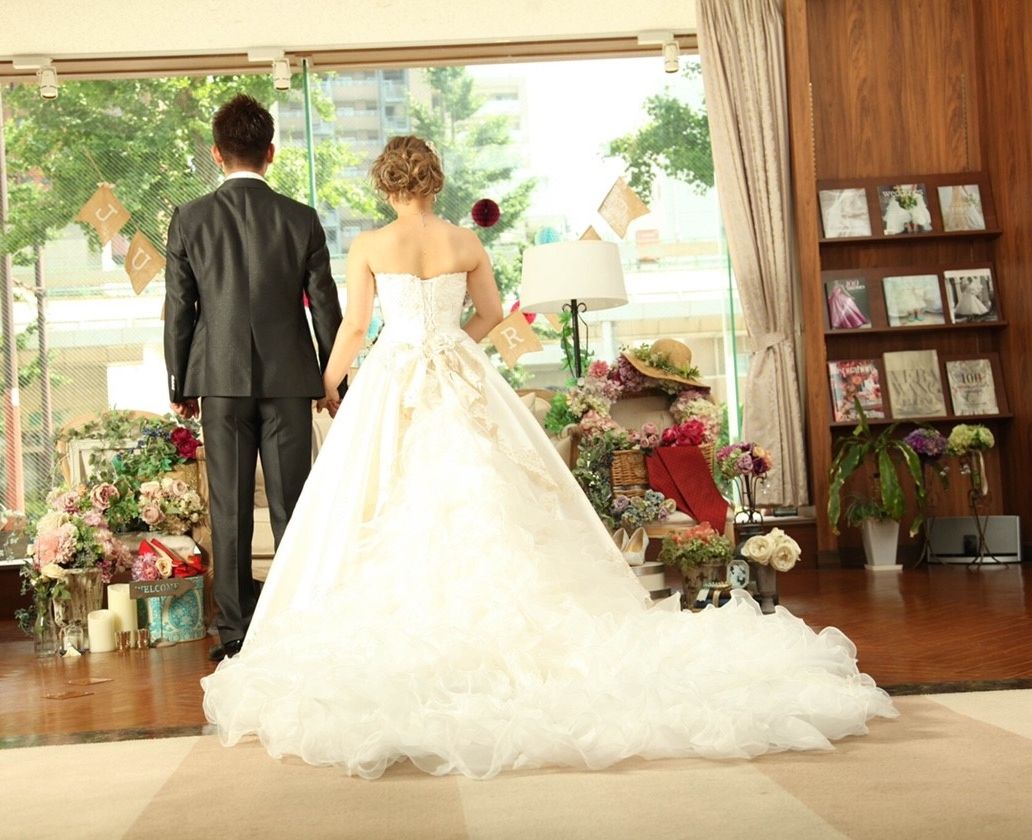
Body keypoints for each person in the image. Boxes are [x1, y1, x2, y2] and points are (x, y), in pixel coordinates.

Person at [201, 135, 897, 780]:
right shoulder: (465, 241)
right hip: (458, 371)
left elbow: (355, 325)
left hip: (393, 375)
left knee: (381, 497)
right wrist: (453, 343)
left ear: (385, 186)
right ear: (434, 182)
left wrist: (329, 384)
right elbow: (489, 315)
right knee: (489, 490)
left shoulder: (370, 245)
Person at [164, 94, 343, 662]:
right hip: (290, 381)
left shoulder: (189, 219)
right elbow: (325, 306)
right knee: (293, 508)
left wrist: (180, 384)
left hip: (217, 381)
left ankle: (235, 632)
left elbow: (179, 309)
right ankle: (294, 626)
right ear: (271, 152)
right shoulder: (301, 218)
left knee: (230, 509)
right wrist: (334, 381)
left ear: (217, 154)